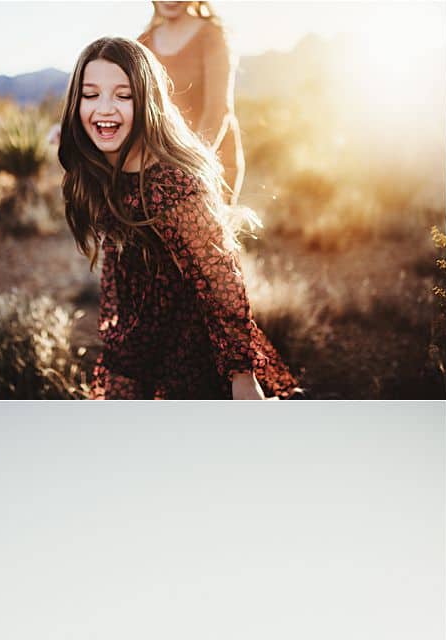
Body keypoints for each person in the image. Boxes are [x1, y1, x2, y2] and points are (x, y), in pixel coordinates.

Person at [58, 37, 295, 400]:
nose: (104, 108)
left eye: (123, 96)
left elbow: (219, 276)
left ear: (148, 101)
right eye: (91, 95)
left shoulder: (170, 184)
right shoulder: (102, 169)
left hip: (190, 349)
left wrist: (242, 376)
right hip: (140, 339)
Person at [138, 3, 244, 200]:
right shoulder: (143, 43)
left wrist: (190, 165)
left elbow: (218, 109)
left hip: (211, 161)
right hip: (160, 163)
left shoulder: (212, 35)